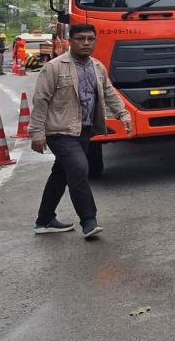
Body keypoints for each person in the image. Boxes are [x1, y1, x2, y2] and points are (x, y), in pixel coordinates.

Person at [29, 23, 134, 239]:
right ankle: (89, 221)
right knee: (79, 169)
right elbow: (40, 101)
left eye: (90, 39)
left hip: (84, 130)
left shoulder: (97, 67)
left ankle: (44, 219)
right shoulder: (54, 67)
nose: (86, 43)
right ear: (70, 41)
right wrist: (37, 133)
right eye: (81, 39)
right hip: (60, 131)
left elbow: (109, 93)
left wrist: (124, 115)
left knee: (61, 173)